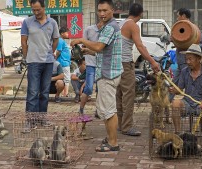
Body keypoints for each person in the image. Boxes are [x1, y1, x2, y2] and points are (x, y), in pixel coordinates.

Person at [71, 0, 122, 152]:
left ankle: (113, 143)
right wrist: (88, 51)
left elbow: (99, 46)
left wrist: (81, 40)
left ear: (112, 10)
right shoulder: (109, 27)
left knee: (109, 111)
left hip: (108, 74)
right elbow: (105, 51)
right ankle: (110, 139)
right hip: (107, 72)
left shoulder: (110, 27)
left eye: (105, 10)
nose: (101, 14)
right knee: (105, 110)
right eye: (99, 10)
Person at [116, 3, 160, 136]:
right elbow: (140, 46)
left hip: (117, 63)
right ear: (140, 14)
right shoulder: (133, 25)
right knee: (129, 94)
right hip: (125, 63)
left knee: (119, 94)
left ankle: (120, 124)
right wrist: (152, 62)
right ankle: (127, 126)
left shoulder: (121, 23)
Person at [169, 44, 202, 144]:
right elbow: (180, 89)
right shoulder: (184, 71)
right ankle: (178, 133)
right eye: (186, 59)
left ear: (198, 59)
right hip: (187, 102)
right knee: (175, 103)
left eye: (190, 59)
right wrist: (174, 90)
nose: (187, 62)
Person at [21, 0, 59, 114]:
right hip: (33, 62)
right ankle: (30, 120)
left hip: (48, 62)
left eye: (38, 10)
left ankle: (42, 118)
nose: (36, 12)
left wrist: (51, 51)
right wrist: (26, 57)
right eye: (33, 10)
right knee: (32, 92)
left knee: (44, 92)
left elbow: (56, 39)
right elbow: (23, 41)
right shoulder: (27, 22)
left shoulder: (52, 23)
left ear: (44, 7)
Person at [78, 21, 103, 115]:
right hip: (90, 63)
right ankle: (81, 108)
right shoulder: (89, 29)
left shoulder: (107, 30)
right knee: (88, 88)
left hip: (102, 64)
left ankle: (98, 110)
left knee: (100, 88)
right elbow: (83, 45)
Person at [169, 8, 192, 102]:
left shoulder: (189, 28)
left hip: (186, 62)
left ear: (183, 16)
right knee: (175, 83)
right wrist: (174, 40)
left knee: (186, 83)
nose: (177, 18)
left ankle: (188, 104)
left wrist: (175, 40)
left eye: (178, 16)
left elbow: (188, 43)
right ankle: (166, 102)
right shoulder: (183, 27)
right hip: (182, 62)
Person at [55, 27, 71, 97]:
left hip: (64, 62)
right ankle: (65, 93)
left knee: (64, 78)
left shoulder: (62, 41)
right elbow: (58, 51)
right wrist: (55, 58)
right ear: (62, 33)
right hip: (63, 62)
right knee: (66, 78)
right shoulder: (60, 41)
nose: (68, 34)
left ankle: (64, 93)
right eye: (66, 33)